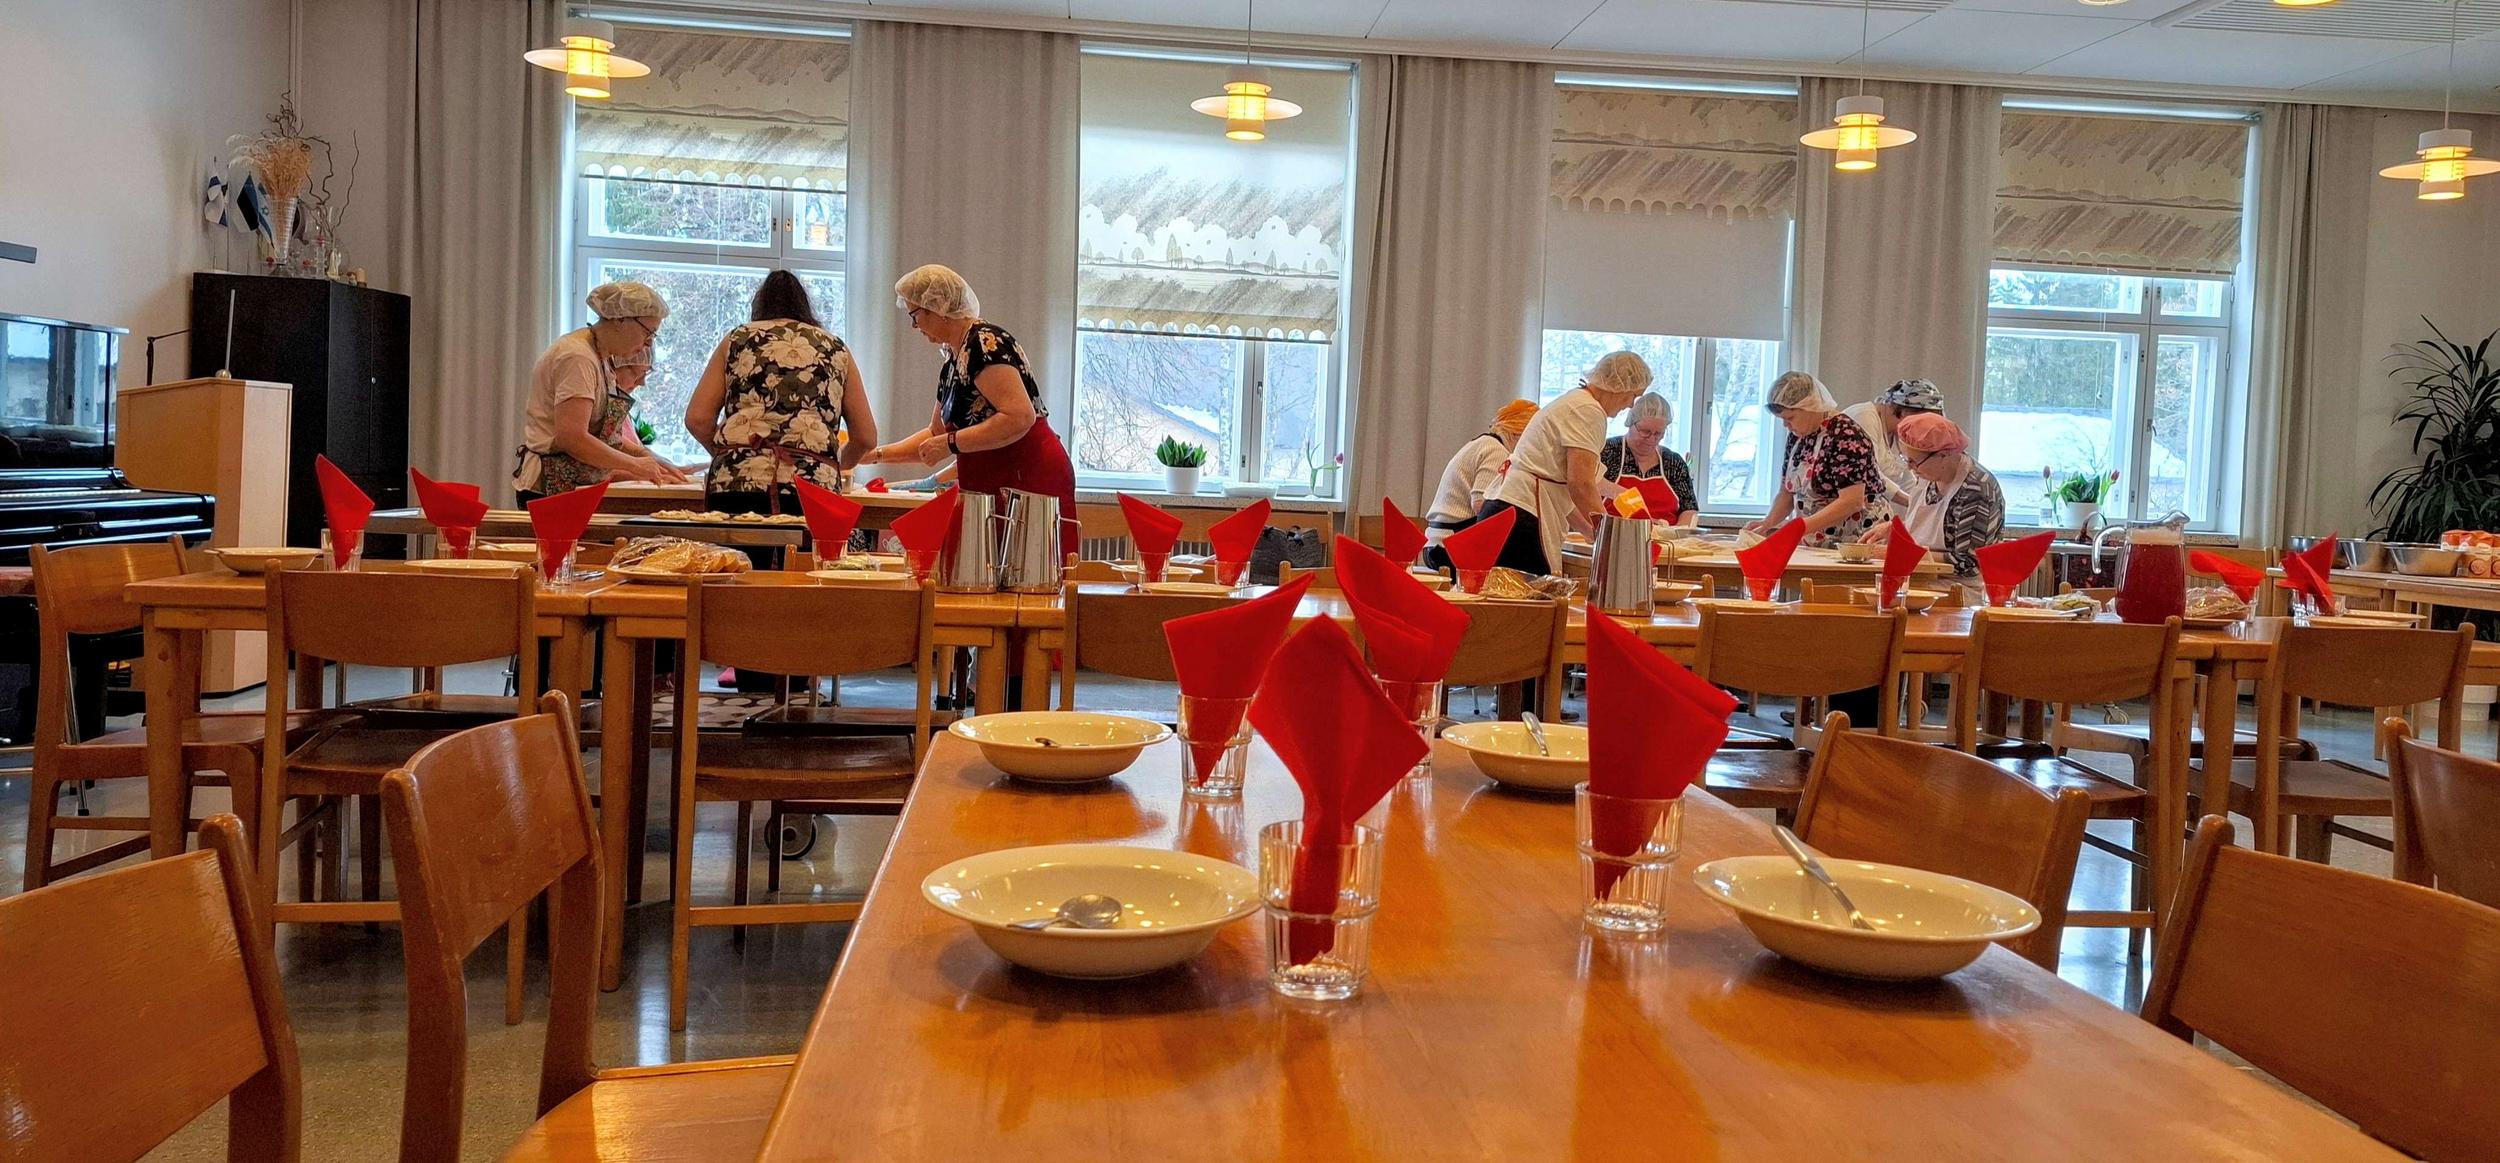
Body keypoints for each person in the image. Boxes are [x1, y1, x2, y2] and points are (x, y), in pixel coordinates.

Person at [861, 264, 1080, 557]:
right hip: (996, 478)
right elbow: (935, 435)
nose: (914, 326)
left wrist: (951, 443)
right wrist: (874, 455)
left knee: (1027, 574)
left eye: (915, 315)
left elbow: (1020, 416)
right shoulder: (953, 360)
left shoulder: (983, 343)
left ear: (938, 307)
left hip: (1027, 477)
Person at [684, 270, 876, 516]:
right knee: (807, 544)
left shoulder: (737, 340)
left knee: (736, 544)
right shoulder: (836, 349)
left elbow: (697, 419)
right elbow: (866, 437)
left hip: (736, 481)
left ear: (759, 306)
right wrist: (833, 464)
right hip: (811, 487)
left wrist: (732, 452)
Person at [514, 281, 689, 501]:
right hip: (549, 488)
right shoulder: (577, 357)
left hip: (575, 486)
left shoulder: (600, 356)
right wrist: (635, 465)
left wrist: (645, 454)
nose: (648, 344)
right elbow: (572, 438)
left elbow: (602, 434)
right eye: (648, 333)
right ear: (620, 319)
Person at [1481, 352, 1650, 574]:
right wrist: (1608, 536)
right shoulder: (1588, 411)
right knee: (1531, 596)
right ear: (1620, 387)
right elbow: (1581, 484)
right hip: (1523, 516)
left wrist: (1589, 530)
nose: (1630, 405)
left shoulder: (1576, 402)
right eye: (1633, 396)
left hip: (1507, 509)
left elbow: (1562, 486)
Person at [1858, 413, 2004, 597]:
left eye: (1914, 461)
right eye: (1906, 459)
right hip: (1921, 580)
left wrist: (1902, 554)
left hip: (1958, 592)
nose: (1910, 467)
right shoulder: (1928, 475)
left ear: (1943, 455)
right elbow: (1930, 525)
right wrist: (1894, 529)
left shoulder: (1976, 490)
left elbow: (1967, 563)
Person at [1752, 371, 1883, 548]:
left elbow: (1851, 502)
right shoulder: (1797, 437)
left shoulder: (1846, 435)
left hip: (1855, 538)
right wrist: (1766, 524)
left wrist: (1799, 528)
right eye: (1782, 419)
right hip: (1816, 535)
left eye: (1790, 418)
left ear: (1810, 407)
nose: (1785, 425)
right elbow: (1787, 493)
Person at [1420, 399, 1538, 571]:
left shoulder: (1481, 443)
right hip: (1449, 548)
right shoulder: (1497, 451)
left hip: (1437, 543)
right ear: (1515, 433)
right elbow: (1480, 505)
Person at [1842, 378, 1945, 513]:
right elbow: (1870, 473)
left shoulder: (1897, 432)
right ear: (1904, 413)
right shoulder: (1864, 417)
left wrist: (1924, 502)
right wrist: (1912, 502)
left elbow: (1907, 478)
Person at [1598, 391, 1697, 517]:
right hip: (1616, 529)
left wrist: (1679, 528)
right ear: (1630, 423)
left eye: (1658, 434)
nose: (1651, 439)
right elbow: (1586, 491)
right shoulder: (1607, 452)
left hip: (1666, 530)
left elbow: (1689, 509)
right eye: (1645, 431)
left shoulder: (1673, 462)